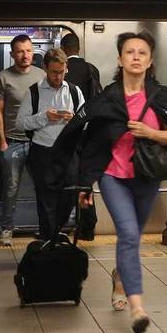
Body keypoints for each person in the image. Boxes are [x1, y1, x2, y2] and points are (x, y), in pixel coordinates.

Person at [53, 30, 167, 333]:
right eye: (130, 52)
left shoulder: (161, 97)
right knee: (127, 234)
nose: (136, 57)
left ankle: (119, 277)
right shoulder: (106, 99)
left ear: (150, 61)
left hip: (146, 177)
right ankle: (138, 308)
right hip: (113, 176)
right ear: (120, 59)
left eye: (142, 53)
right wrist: (85, 186)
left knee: (132, 238)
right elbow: (92, 145)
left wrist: (149, 133)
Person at [15, 49, 84, 242]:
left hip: (68, 153)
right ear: (45, 68)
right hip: (43, 152)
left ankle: (54, 232)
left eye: (61, 72)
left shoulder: (74, 91)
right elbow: (20, 123)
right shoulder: (34, 92)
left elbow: (87, 120)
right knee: (46, 200)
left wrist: (75, 120)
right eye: (54, 72)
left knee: (69, 197)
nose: (57, 76)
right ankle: (48, 239)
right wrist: (44, 117)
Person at [0, 34, 42, 246]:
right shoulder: (3, 78)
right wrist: (1, 140)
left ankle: (46, 227)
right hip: (12, 141)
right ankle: (6, 229)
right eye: (20, 51)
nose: (25, 55)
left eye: (28, 50)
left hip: (38, 141)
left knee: (43, 185)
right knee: (10, 188)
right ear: (12, 54)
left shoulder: (42, 76)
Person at [60, 33, 100, 240]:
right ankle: (87, 226)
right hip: (90, 135)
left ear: (63, 49)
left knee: (69, 181)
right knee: (84, 182)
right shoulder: (91, 69)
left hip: (72, 135)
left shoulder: (64, 72)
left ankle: (64, 224)